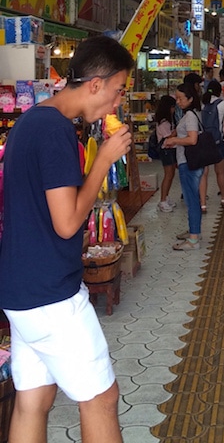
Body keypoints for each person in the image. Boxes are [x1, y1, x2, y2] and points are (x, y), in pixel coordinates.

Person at [0, 35, 134, 443]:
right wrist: (104, 160)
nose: (116, 105)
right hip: (51, 296)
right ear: (95, 84)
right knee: (101, 398)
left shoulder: (31, 120)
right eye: (117, 92)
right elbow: (67, 222)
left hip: (20, 291)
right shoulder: (57, 131)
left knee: (32, 400)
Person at [163, 82, 202, 251]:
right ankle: (194, 231)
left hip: (189, 163)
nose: (178, 102)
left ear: (190, 99)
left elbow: (192, 139)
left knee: (191, 200)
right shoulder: (190, 114)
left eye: (181, 98)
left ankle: (193, 240)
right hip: (188, 161)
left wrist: (174, 140)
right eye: (176, 98)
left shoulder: (191, 116)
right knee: (191, 199)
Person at [199, 80, 224, 212]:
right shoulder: (222, 104)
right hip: (218, 142)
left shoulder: (202, 104)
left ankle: (203, 204)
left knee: (203, 173)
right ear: (219, 91)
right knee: (220, 172)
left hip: (203, 142)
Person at [155, 95, 177, 212]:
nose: (174, 109)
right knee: (168, 175)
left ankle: (166, 197)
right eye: (173, 107)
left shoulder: (169, 120)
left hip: (171, 150)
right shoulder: (163, 122)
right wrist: (177, 131)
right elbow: (168, 137)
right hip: (166, 150)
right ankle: (162, 200)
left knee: (171, 174)